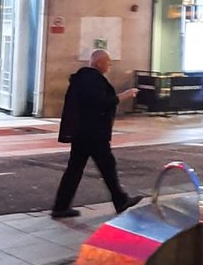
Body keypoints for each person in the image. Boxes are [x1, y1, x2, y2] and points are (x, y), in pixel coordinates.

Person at [51, 49, 141, 219]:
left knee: (75, 169)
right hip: (93, 133)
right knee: (106, 166)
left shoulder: (82, 78)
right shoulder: (92, 80)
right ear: (99, 62)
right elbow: (100, 103)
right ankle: (120, 200)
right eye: (108, 61)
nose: (110, 65)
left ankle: (61, 206)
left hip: (82, 132)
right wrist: (124, 96)